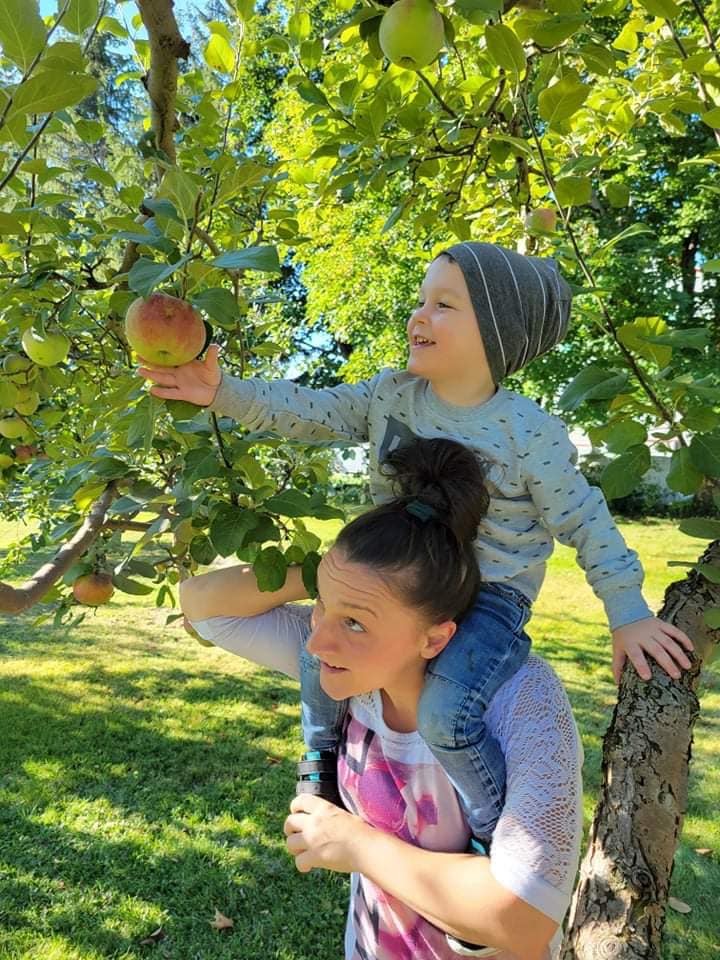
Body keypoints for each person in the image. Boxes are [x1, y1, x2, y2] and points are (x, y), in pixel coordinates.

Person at [139, 241, 693, 854]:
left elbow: (585, 521)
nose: (419, 316)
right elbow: (308, 410)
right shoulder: (391, 395)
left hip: (488, 595)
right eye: (422, 301)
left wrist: (627, 612)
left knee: (446, 712)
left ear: (497, 334)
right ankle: (320, 761)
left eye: (444, 305)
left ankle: (489, 832)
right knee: (321, 656)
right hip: (391, 578)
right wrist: (220, 391)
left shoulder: (528, 433)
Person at [179, 437, 584, 960]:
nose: (317, 643)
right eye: (320, 606)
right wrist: (341, 580)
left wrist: (356, 846)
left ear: (434, 639)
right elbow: (203, 605)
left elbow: (524, 920)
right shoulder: (352, 672)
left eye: (354, 623)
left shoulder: (522, 701)